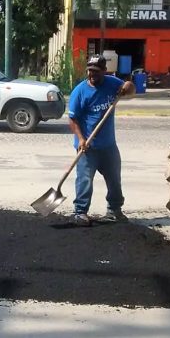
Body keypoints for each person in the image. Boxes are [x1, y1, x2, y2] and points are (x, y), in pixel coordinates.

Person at [68, 55, 135, 226]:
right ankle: (80, 212)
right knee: (84, 180)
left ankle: (114, 211)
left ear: (104, 71)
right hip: (87, 147)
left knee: (114, 180)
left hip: (108, 146)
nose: (92, 74)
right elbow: (73, 120)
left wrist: (128, 86)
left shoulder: (112, 83)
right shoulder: (80, 91)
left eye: (96, 72)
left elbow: (131, 90)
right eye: (90, 71)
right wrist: (82, 139)